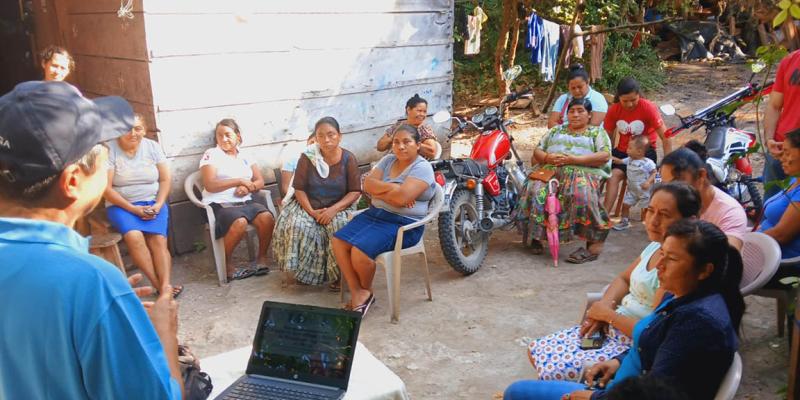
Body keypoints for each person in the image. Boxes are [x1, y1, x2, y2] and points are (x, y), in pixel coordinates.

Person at [0, 81, 182, 398]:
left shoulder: (88, 286)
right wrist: (163, 334)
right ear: (72, 181)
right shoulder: (91, 282)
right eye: (102, 148)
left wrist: (100, 317)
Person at [505, 219, 744, 400]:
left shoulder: (698, 322)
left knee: (516, 393)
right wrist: (618, 362)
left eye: (671, 259)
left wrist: (594, 398)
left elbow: (656, 392)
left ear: (704, 270)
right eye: (662, 255)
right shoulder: (681, 295)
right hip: (620, 383)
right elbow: (654, 343)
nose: (659, 265)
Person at [528, 183, 701, 381]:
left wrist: (607, 315)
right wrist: (604, 306)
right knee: (535, 349)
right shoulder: (654, 247)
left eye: (665, 215)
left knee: (551, 371)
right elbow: (624, 278)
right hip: (611, 327)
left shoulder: (674, 270)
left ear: (689, 221)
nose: (653, 221)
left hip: (630, 346)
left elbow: (651, 333)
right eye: (650, 211)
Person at [332, 124, 436, 316]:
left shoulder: (423, 168)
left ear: (418, 144)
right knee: (338, 241)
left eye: (407, 142)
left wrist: (384, 192)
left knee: (359, 252)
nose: (401, 147)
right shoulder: (388, 160)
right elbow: (367, 184)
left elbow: (400, 199)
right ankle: (359, 292)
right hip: (376, 215)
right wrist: (395, 190)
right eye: (396, 142)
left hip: (403, 224)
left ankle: (364, 292)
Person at [517, 97, 611, 264]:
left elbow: (604, 156)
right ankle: (536, 237)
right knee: (535, 190)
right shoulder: (555, 131)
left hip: (582, 171)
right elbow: (537, 150)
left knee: (582, 195)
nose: (575, 115)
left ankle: (593, 246)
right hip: (550, 170)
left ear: (589, 115)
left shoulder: (597, 132)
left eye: (580, 111)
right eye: (571, 111)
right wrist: (547, 157)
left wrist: (574, 160)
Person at [273, 117, 361, 287]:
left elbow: (355, 191)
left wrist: (333, 210)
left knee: (339, 226)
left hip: (339, 205)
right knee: (297, 225)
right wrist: (312, 212)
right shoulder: (307, 157)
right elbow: (299, 189)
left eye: (331, 135)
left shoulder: (348, 158)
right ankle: (305, 274)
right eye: (321, 136)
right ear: (316, 138)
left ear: (339, 136)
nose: (326, 140)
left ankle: (340, 275)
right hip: (308, 205)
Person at [104, 113, 182, 298]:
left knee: (158, 240)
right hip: (122, 205)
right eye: (126, 129)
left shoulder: (152, 147)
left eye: (138, 128)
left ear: (144, 130)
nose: (133, 133)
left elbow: (165, 179)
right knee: (134, 236)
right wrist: (133, 209)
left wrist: (159, 203)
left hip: (153, 202)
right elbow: (106, 189)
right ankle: (160, 286)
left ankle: (164, 286)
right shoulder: (109, 149)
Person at [200, 118, 275, 281]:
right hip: (219, 205)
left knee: (267, 217)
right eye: (220, 136)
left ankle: (261, 258)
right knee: (239, 222)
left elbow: (260, 181)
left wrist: (249, 187)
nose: (224, 139)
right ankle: (226, 263)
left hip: (245, 202)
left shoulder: (246, 155)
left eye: (228, 135)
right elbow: (210, 184)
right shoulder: (211, 154)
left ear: (238, 136)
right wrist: (238, 181)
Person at [603, 77, 672, 214]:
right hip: (623, 152)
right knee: (612, 177)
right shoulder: (614, 110)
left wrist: (667, 163)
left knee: (651, 180)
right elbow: (607, 137)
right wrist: (607, 154)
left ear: (639, 95)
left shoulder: (648, 107)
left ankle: (647, 211)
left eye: (633, 100)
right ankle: (603, 216)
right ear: (619, 97)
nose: (629, 104)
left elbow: (666, 136)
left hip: (645, 153)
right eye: (625, 101)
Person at [659, 146, 748, 245]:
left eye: (677, 184)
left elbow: (729, 258)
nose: (670, 192)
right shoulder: (678, 203)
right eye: (666, 186)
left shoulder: (730, 214)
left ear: (701, 175)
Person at [759, 127, 800, 263]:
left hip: (780, 260)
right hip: (765, 246)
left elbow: (781, 235)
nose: (781, 158)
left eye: (787, 153)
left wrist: (746, 241)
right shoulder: (794, 180)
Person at [763, 49, 800, 199]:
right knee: (771, 206)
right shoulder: (791, 60)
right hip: (781, 147)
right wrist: (769, 139)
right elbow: (774, 105)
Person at [612, 135, 657, 231]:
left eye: (629, 148)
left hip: (644, 191)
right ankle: (624, 221)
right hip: (632, 190)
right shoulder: (630, 160)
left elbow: (655, 173)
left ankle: (649, 224)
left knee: (646, 209)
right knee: (625, 205)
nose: (627, 150)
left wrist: (648, 182)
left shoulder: (647, 163)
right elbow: (620, 162)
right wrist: (611, 158)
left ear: (639, 151)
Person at [376, 94, 440, 159]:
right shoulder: (398, 125)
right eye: (419, 111)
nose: (422, 114)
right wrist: (393, 137)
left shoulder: (424, 129)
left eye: (424, 112)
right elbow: (380, 147)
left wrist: (408, 142)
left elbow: (432, 152)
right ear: (408, 110)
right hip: (392, 162)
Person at [547, 64, 608, 128]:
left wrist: (566, 130)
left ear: (588, 82)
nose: (576, 91)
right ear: (568, 86)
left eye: (580, 87)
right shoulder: (563, 99)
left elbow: (593, 127)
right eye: (573, 88)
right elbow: (551, 124)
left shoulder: (598, 99)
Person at [279, 132, 316, 197]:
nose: (313, 146)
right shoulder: (292, 160)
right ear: (307, 141)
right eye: (312, 142)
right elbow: (286, 189)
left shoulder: (325, 162)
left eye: (318, 144)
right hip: (297, 199)